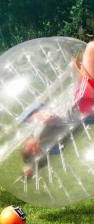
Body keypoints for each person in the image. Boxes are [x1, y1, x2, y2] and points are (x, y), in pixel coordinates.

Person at [22, 40, 94, 179]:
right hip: (82, 100)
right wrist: (39, 115)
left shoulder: (54, 146)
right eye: (26, 146)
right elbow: (49, 117)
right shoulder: (39, 137)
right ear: (33, 149)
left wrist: (31, 169)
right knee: (91, 47)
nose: (26, 142)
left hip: (85, 109)